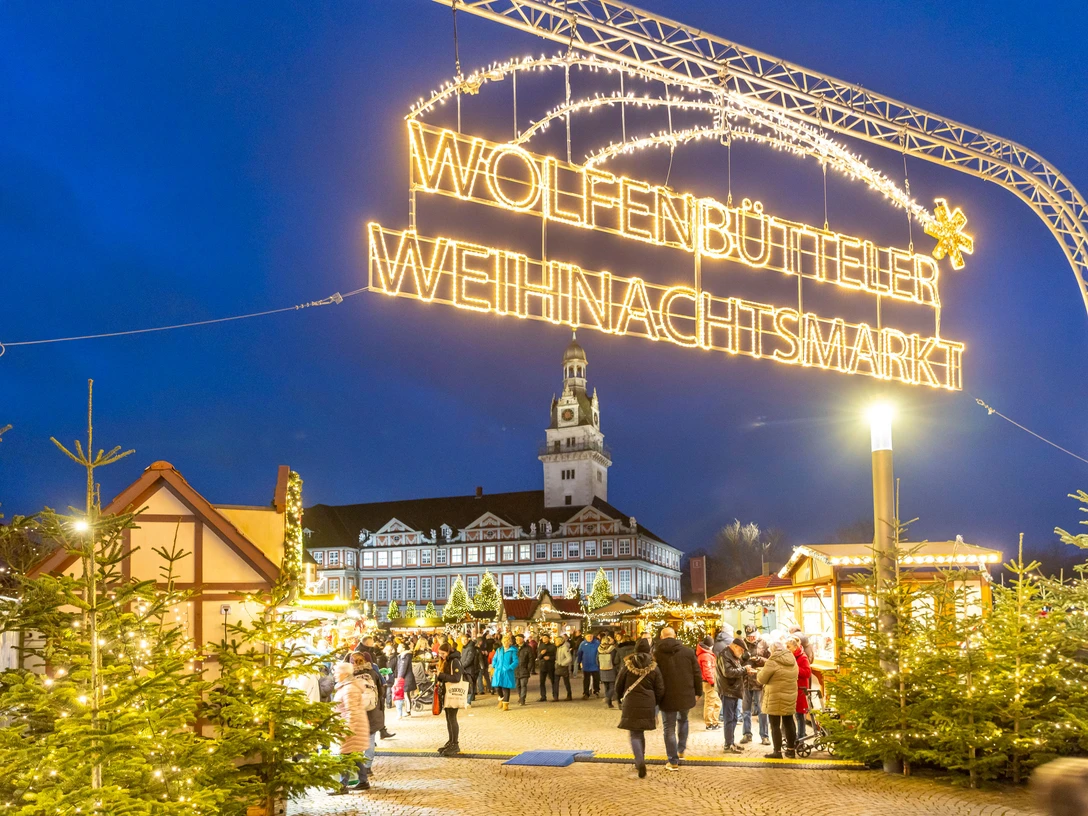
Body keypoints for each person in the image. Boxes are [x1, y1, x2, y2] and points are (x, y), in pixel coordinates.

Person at [653, 626, 702, 772]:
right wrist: (698, 691)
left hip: (666, 696)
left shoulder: (656, 654)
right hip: (685, 694)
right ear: (675, 636)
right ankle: (681, 750)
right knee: (683, 719)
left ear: (662, 637)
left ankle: (673, 761)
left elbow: (654, 676)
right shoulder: (687, 651)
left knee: (669, 728)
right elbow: (696, 673)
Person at [615, 638, 665, 779]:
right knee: (640, 732)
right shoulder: (654, 667)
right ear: (649, 650)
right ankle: (641, 759)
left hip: (630, 702)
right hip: (648, 702)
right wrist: (656, 702)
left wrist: (619, 698)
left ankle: (639, 762)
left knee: (634, 734)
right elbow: (660, 688)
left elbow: (619, 684)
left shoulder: (627, 665)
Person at [757, 641, 799, 759]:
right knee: (789, 722)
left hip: (775, 696)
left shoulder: (772, 661)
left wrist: (759, 672)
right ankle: (791, 750)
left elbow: (762, 679)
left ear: (773, 650)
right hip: (790, 694)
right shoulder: (792, 659)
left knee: (775, 725)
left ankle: (777, 752)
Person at [332, 662, 371, 794]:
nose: (335, 675)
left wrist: (348, 729)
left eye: (337, 672)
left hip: (351, 726)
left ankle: (342, 785)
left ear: (345, 674)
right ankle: (363, 781)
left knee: (345, 756)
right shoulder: (346, 687)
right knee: (353, 755)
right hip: (351, 725)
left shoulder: (349, 689)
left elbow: (352, 711)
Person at [715, 637, 747, 754]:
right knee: (729, 718)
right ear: (735, 646)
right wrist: (745, 670)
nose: (742, 652)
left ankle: (731, 742)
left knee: (733, 717)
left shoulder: (732, 655)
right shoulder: (725, 655)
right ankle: (728, 745)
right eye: (741, 650)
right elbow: (728, 672)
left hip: (732, 690)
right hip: (728, 690)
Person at [740, 625, 770, 746]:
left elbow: (770, 661)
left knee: (762, 709)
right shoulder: (742, 643)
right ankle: (746, 734)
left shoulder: (764, 643)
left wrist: (759, 659)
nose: (751, 638)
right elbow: (736, 660)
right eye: (749, 637)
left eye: (752, 636)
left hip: (759, 680)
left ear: (757, 633)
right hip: (746, 681)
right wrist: (743, 658)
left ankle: (764, 736)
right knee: (745, 710)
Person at [434, 640, 464, 755]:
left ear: (448, 652)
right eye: (439, 654)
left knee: (452, 718)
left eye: (443, 654)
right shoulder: (446, 661)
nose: (441, 656)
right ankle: (451, 741)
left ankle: (455, 744)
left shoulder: (454, 661)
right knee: (448, 718)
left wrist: (441, 675)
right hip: (446, 693)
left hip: (453, 693)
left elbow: (456, 677)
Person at [788, 636, 811, 740]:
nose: (787, 649)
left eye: (788, 647)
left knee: (800, 715)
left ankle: (801, 736)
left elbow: (807, 672)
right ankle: (798, 736)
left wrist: (795, 669)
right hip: (793, 689)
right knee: (796, 715)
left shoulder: (802, 657)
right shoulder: (791, 656)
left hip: (801, 690)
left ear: (795, 647)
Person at [696, 635, 721, 730]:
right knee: (711, 702)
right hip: (709, 682)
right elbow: (707, 670)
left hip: (709, 681)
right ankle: (710, 723)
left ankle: (714, 722)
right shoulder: (706, 656)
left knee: (716, 702)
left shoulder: (705, 654)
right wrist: (712, 682)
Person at [490, 634, 518, 711]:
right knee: (497, 687)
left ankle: (505, 704)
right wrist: (494, 665)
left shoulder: (512, 651)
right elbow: (494, 659)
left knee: (506, 687)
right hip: (498, 671)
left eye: (507, 641)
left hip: (507, 671)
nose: (505, 643)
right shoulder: (499, 650)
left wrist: (509, 667)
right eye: (504, 641)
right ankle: (501, 699)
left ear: (510, 642)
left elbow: (515, 661)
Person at [393, 644, 416, 718]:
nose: (397, 648)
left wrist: (399, 678)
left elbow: (402, 668)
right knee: (406, 694)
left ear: (403, 648)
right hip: (404, 678)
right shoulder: (402, 656)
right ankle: (407, 710)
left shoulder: (404, 656)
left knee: (406, 694)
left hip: (405, 679)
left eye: (399, 646)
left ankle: (408, 711)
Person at [514, 633, 535, 705]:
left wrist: (528, 669)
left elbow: (531, 659)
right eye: (516, 639)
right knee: (517, 685)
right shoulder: (514, 648)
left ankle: (522, 699)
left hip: (524, 669)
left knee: (523, 685)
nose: (517, 640)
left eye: (519, 639)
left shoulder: (528, 648)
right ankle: (520, 697)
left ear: (523, 639)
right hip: (516, 669)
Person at [577, 633, 601, 697]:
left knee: (596, 678)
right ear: (585, 637)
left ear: (593, 636)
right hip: (586, 664)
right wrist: (579, 662)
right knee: (586, 679)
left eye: (591, 636)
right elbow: (579, 653)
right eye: (588, 636)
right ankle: (586, 692)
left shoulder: (597, 643)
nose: (589, 638)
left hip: (595, 664)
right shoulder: (582, 644)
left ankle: (596, 690)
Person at [459, 635, 480, 707]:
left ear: (468, 639)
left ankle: (468, 702)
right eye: (462, 640)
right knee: (467, 685)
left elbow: (469, 659)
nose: (464, 641)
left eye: (465, 639)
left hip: (470, 669)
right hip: (465, 669)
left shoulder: (470, 648)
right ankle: (468, 700)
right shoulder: (464, 648)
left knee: (470, 685)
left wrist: (461, 666)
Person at [598, 635, 618, 708]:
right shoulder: (612, 649)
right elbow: (615, 660)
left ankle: (609, 703)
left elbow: (597, 660)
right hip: (611, 669)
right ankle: (608, 698)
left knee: (606, 687)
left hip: (602, 669)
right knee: (612, 686)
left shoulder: (599, 650)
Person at [537, 633, 558, 701]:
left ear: (549, 638)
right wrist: (541, 654)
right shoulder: (540, 646)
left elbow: (556, 657)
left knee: (553, 681)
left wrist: (549, 658)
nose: (544, 639)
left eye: (545, 638)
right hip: (542, 666)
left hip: (550, 666)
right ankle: (543, 696)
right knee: (542, 682)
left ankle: (555, 696)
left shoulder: (553, 646)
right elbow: (538, 657)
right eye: (543, 638)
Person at [555, 634, 574, 700]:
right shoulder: (558, 648)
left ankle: (569, 695)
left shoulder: (565, 648)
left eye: (556, 641)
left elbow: (569, 658)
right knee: (556, 682)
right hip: (557, 666)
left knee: (566, 682)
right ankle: (556, 697)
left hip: (563, 667)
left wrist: (562, 663)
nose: (555, 643)